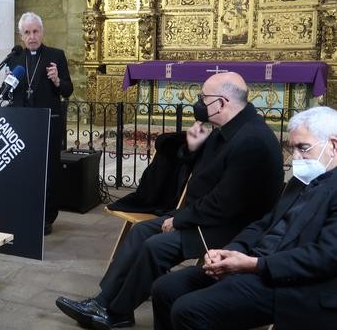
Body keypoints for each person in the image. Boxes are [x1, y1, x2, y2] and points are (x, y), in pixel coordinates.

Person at [55, 71, 284, 330]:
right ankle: (103, 301)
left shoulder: (252, 140)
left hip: (232, 228)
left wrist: (180, 219)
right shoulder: (230, 128)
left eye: (203, 97)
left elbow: (226, 203)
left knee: (157, 246)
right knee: (142, 231)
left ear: (221, 103)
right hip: (207, 216)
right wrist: (192, 147)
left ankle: (117, 312)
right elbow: (204, 172)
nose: (198, 103)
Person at [151, 106, 337, 330]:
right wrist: (232, 250)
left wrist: (254, 265)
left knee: (190, 310)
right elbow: (265, 223)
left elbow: (325, 257)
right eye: (293, 149)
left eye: (303, 148)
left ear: (333, 146)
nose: (296, 157)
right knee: (165, 287)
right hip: (254, 263)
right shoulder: (301, 181)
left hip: (292, 282)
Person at [6, 12, 73, 235]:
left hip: (48, 124)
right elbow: (8, 93)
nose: (32, 36)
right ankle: (24, 210)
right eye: (27, 32)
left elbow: (68, 90)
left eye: (35, 31)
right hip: (21, 125)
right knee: (24, 170)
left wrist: (56, 80)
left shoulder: (56, 56)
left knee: (48, 171)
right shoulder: (15, 58)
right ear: (21, 36)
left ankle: (47, 217)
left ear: (42, 32)